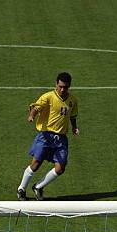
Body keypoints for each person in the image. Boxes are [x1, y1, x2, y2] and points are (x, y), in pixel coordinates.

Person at [17, 72, 79, 201]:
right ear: (56, 84)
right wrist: (32, 116)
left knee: (60, 168)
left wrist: (74, 127)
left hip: (61, 138)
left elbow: (72, 115)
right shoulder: (48, 97)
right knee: (36, 163)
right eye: (60, 86)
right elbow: (36, 107)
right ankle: (21, 189)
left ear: (69, 86)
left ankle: (38, 187)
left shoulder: (73, 100)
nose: (62, 89)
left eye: (65, 87)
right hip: (45, 136)